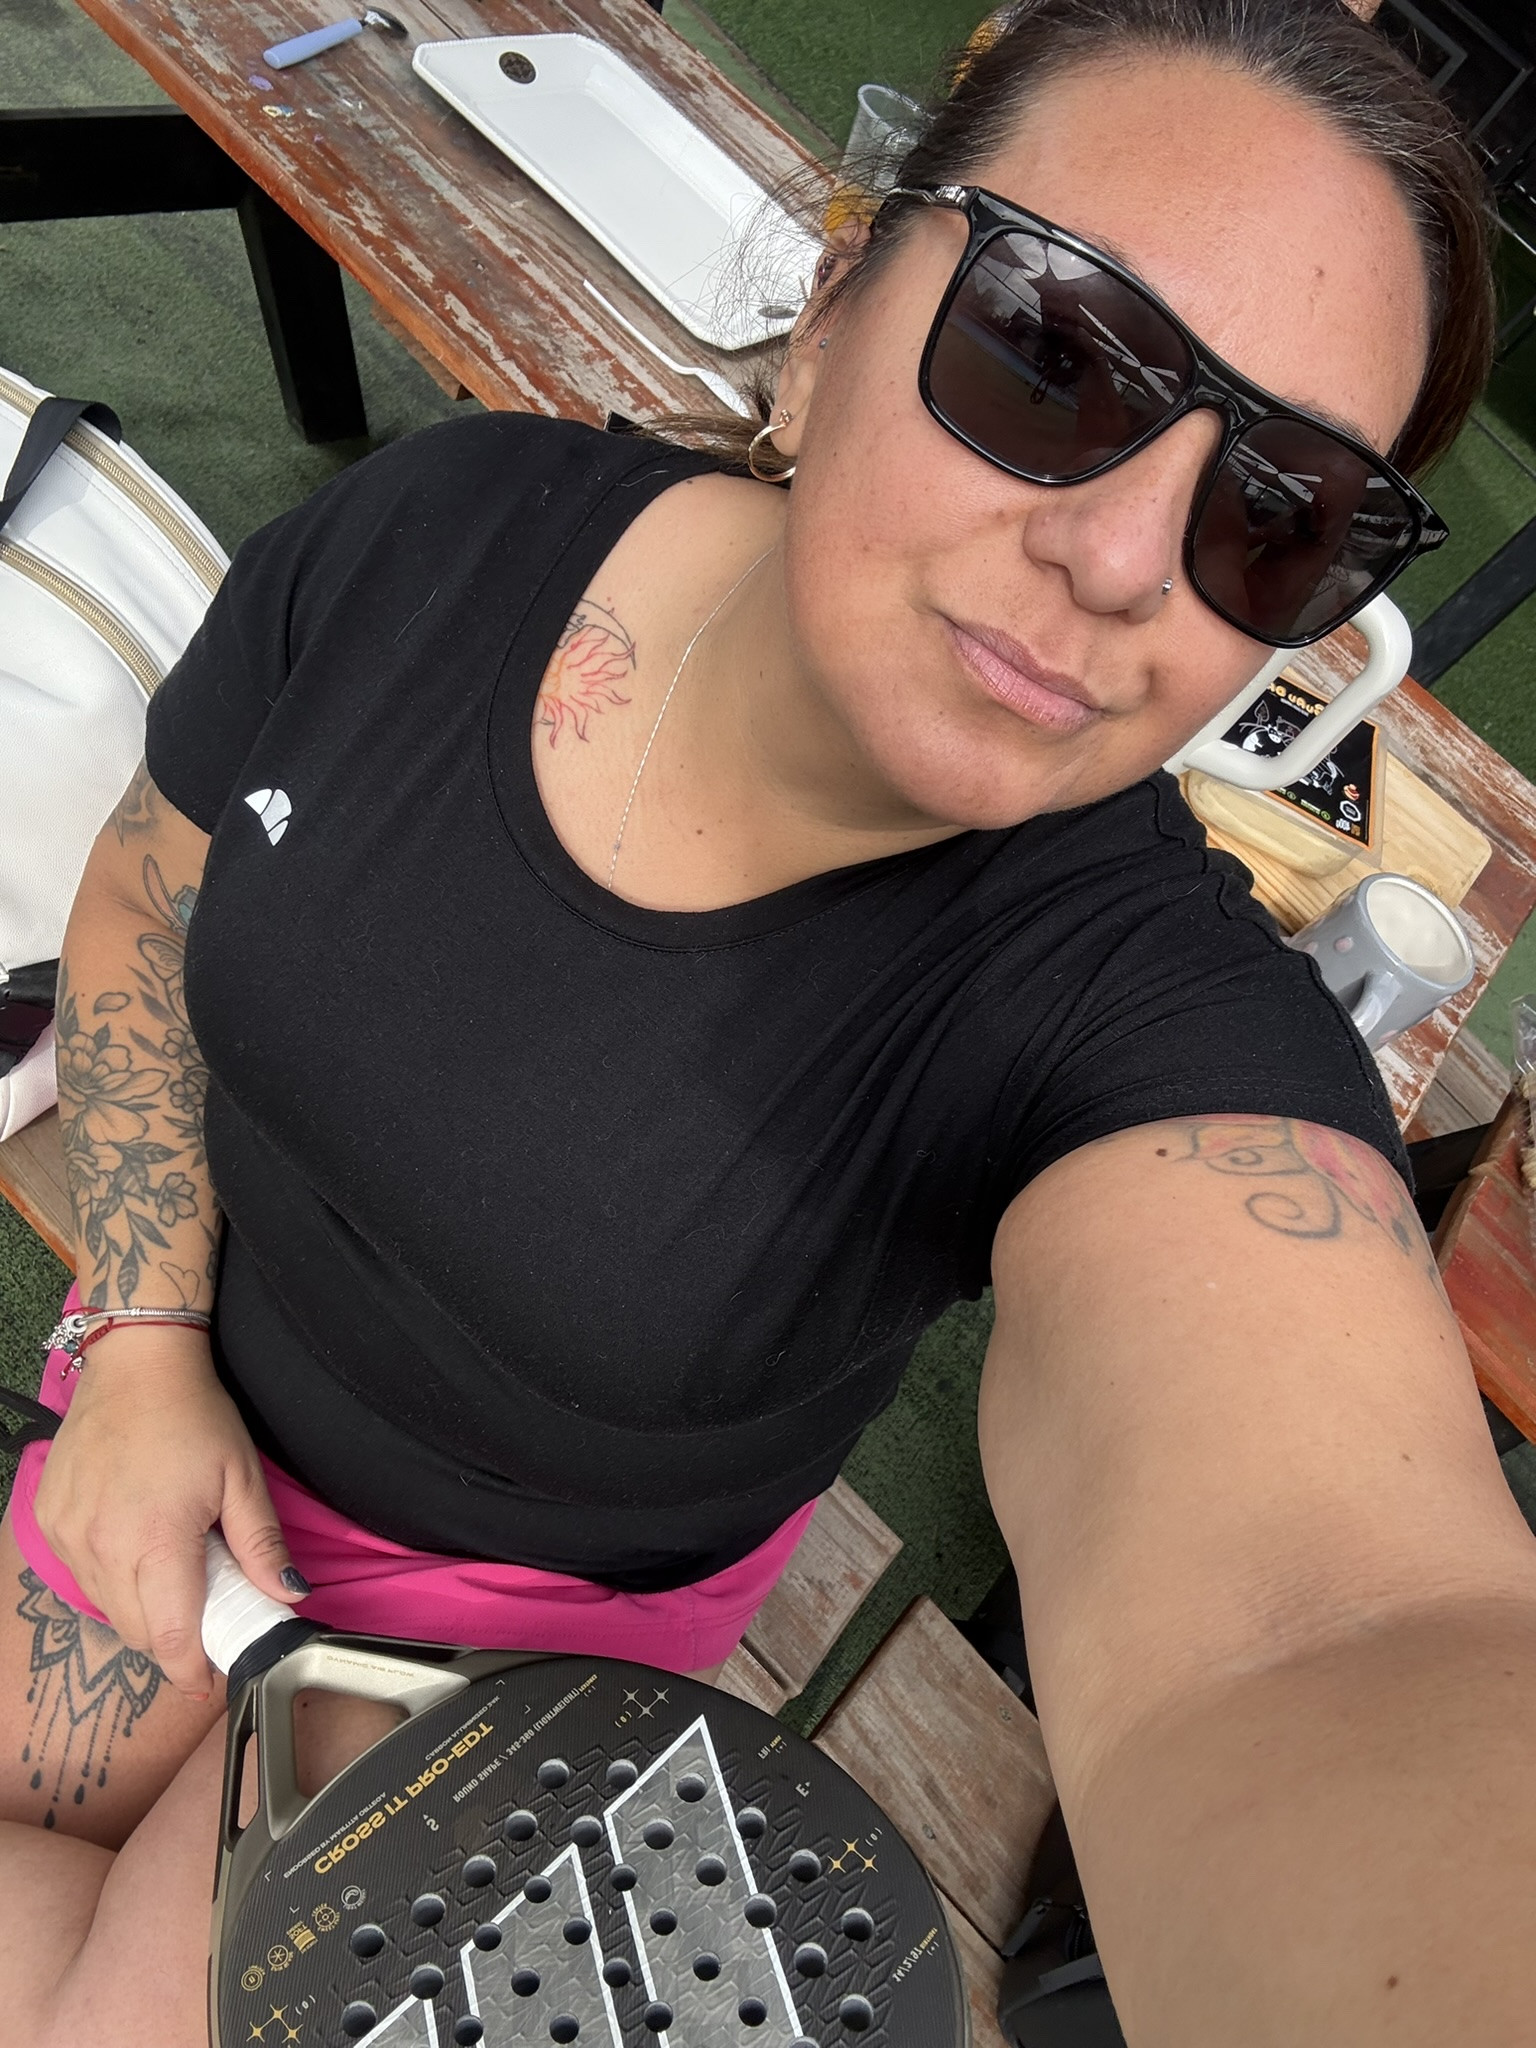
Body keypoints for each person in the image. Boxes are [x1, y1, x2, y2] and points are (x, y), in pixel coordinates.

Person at [3, 0, 1534, 2040]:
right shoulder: (442, 531)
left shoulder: (1122, 1007)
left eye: (1280, 513)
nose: (1118, 559)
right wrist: (141, 1339)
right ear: (830, 313)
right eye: (1053, 352)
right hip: (167, 1381)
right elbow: (146, 895)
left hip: (519, 1658)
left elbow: (1328, 1621)